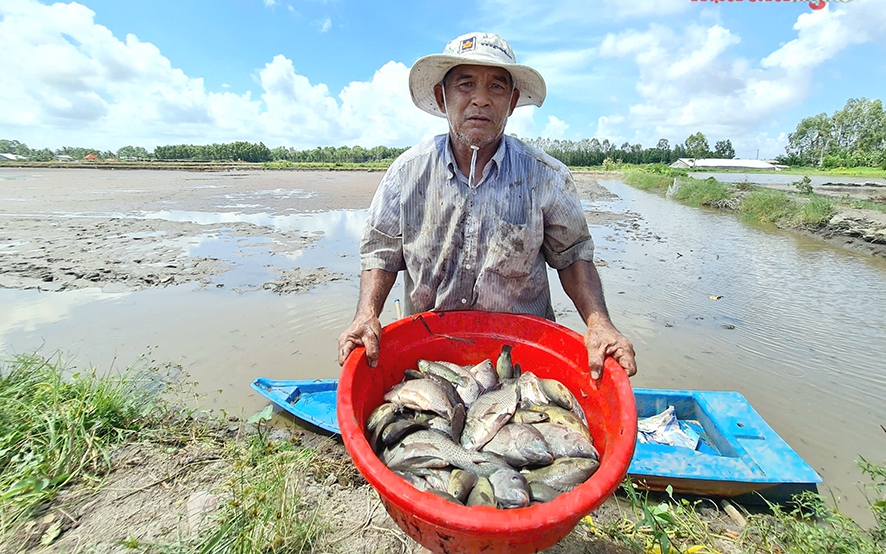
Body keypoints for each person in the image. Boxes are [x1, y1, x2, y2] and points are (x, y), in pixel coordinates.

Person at [338, 32, 636, 381]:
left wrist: (599, 323)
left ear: (511, 102)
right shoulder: (407, 174)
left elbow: (573, 257)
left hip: (521, 357)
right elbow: (380, 255)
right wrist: (365, 315)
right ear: (442, 97)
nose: (480, 100)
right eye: (465, 85)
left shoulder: (547, 176)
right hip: (429, 352)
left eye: (496, 87)